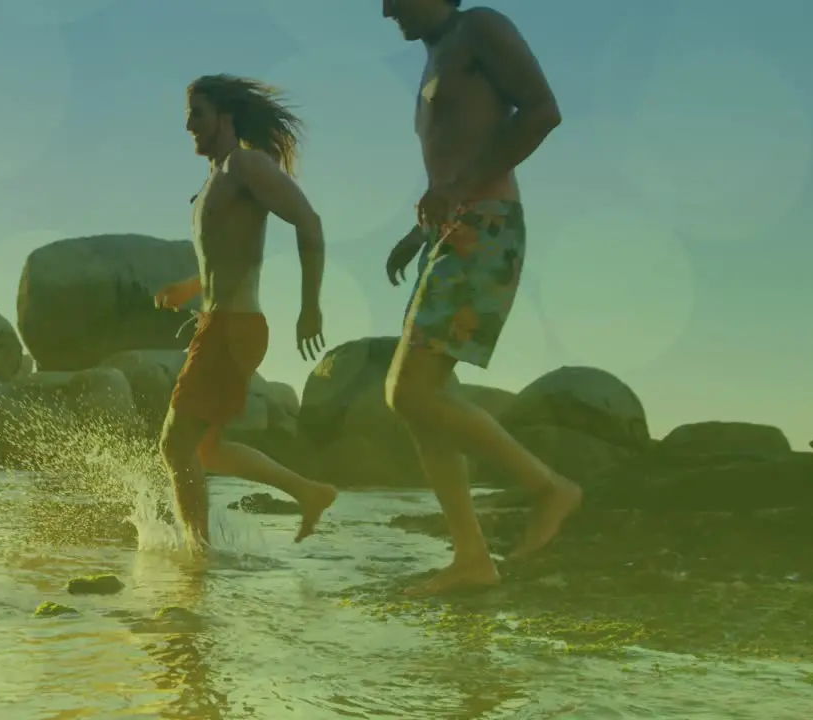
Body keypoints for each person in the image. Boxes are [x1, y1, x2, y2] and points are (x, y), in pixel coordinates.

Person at [380, 0, 583, 595]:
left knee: (408, 390)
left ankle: (549, 487)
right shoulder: (436, 58)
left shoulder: (480, 29)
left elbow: (543, 111)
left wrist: (461, 191)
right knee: (424, 398)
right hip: (453, 231)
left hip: (486, 227)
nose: (386, 7)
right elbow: (455, 157)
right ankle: (470, 557)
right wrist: (417, 232)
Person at [154, 74, 337, 551]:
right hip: (218, 325)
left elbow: (309, 221)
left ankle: (197, 557)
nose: (188, 124)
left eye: (197, 113)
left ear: (225, 116)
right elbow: (227, 259)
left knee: (175, 447)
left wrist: (310, 306)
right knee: (206, 449)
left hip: (233, 328)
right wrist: (190, 288)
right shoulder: (216, 178)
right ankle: (309, 492)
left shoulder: (245, 165)